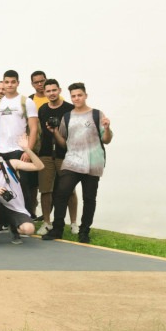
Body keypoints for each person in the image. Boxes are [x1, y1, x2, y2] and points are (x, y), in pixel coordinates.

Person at [42, 83, 112, 244]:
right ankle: (57, 229)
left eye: (79, 95)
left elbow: (106, 140)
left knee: (89, 198)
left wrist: (107, 128)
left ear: (85, 95)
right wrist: (55, 133)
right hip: (72, 160)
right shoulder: (67, 117)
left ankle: (84, 231)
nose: (76, 98)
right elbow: (63, 143)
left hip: (93, 162)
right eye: (73, 96)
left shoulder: (97, 114)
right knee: (61, 193)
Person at [0, 69, 40, 217]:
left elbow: (34, 128)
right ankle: (2, 219)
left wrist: (28, 151)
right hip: (0, 150)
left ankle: (27, 216)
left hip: (19, 150)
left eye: (13, 82)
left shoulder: (26, 102)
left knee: (23, 185)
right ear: (3, 83)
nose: (9, 85)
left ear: (17, 83)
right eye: (6, 82)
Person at [0, 137, 45, 249]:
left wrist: (27, 149)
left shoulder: (11, 164)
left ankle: (14, 227)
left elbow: (40, 166)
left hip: (16, 210)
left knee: (29, 229)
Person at [35, 79, 78, 236]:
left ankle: (73, 223)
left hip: (65, 154)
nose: (51, 93)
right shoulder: (42, 109)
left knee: (70, 190)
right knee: (46, 190)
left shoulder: (70, 109)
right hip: (46, 154)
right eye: (48, 91)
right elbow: (39, 133)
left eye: (54, 90)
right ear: (44, 93)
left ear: (59, 90)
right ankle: (46, 222)